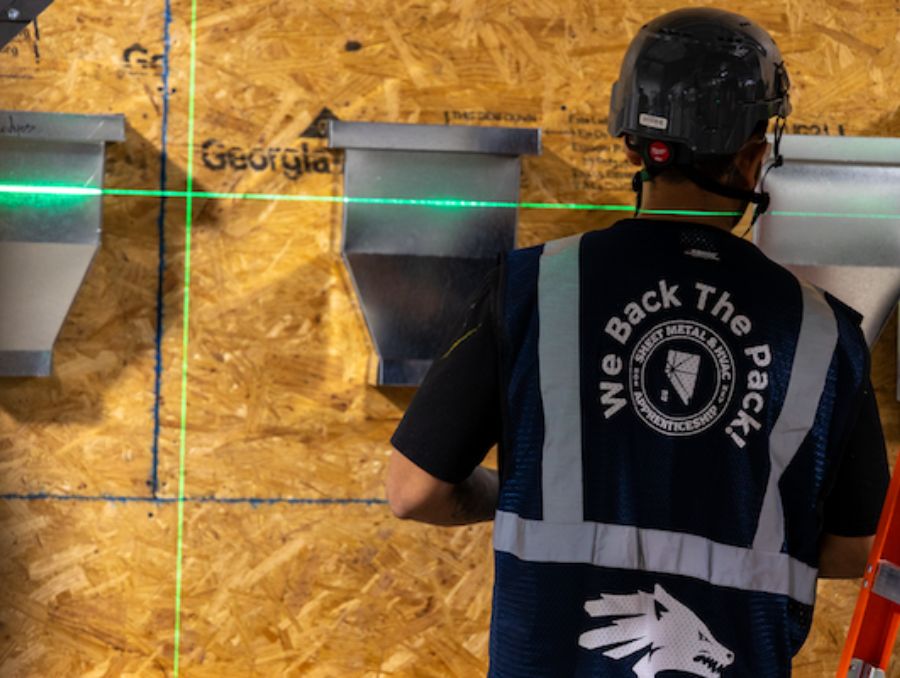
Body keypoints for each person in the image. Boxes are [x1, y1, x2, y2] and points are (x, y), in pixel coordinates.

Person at [386, 7, 890, 677]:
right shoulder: (828, 331)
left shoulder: (536, 287)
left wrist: (515, 493)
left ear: (629, 144)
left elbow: (413, 491)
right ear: (752, 156)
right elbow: (856, 549)